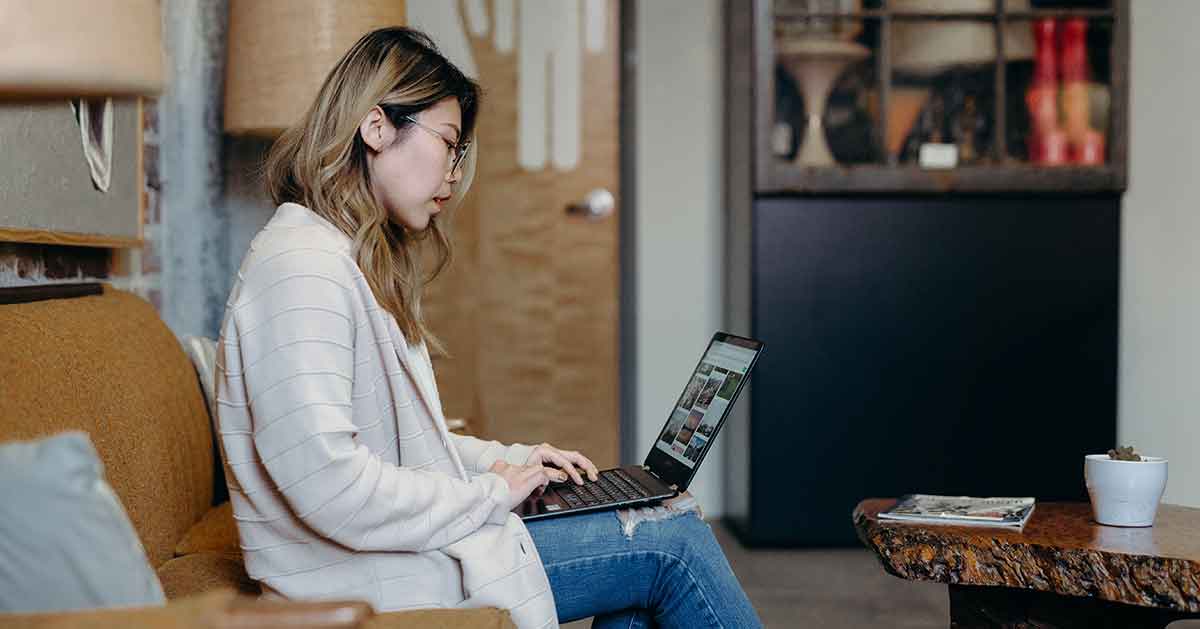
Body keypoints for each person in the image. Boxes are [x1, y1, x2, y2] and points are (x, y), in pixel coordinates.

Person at [214, 27, 762, 629]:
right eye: (449, 143)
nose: (454, 173)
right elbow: (331, 485)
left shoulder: (335, 259)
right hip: (366, 575)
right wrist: (491, 495)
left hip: (391, 555)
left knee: (654, 521)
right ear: (375, 128)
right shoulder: (301, 270)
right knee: (671, 540)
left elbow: (394, 450)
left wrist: (514, 463)